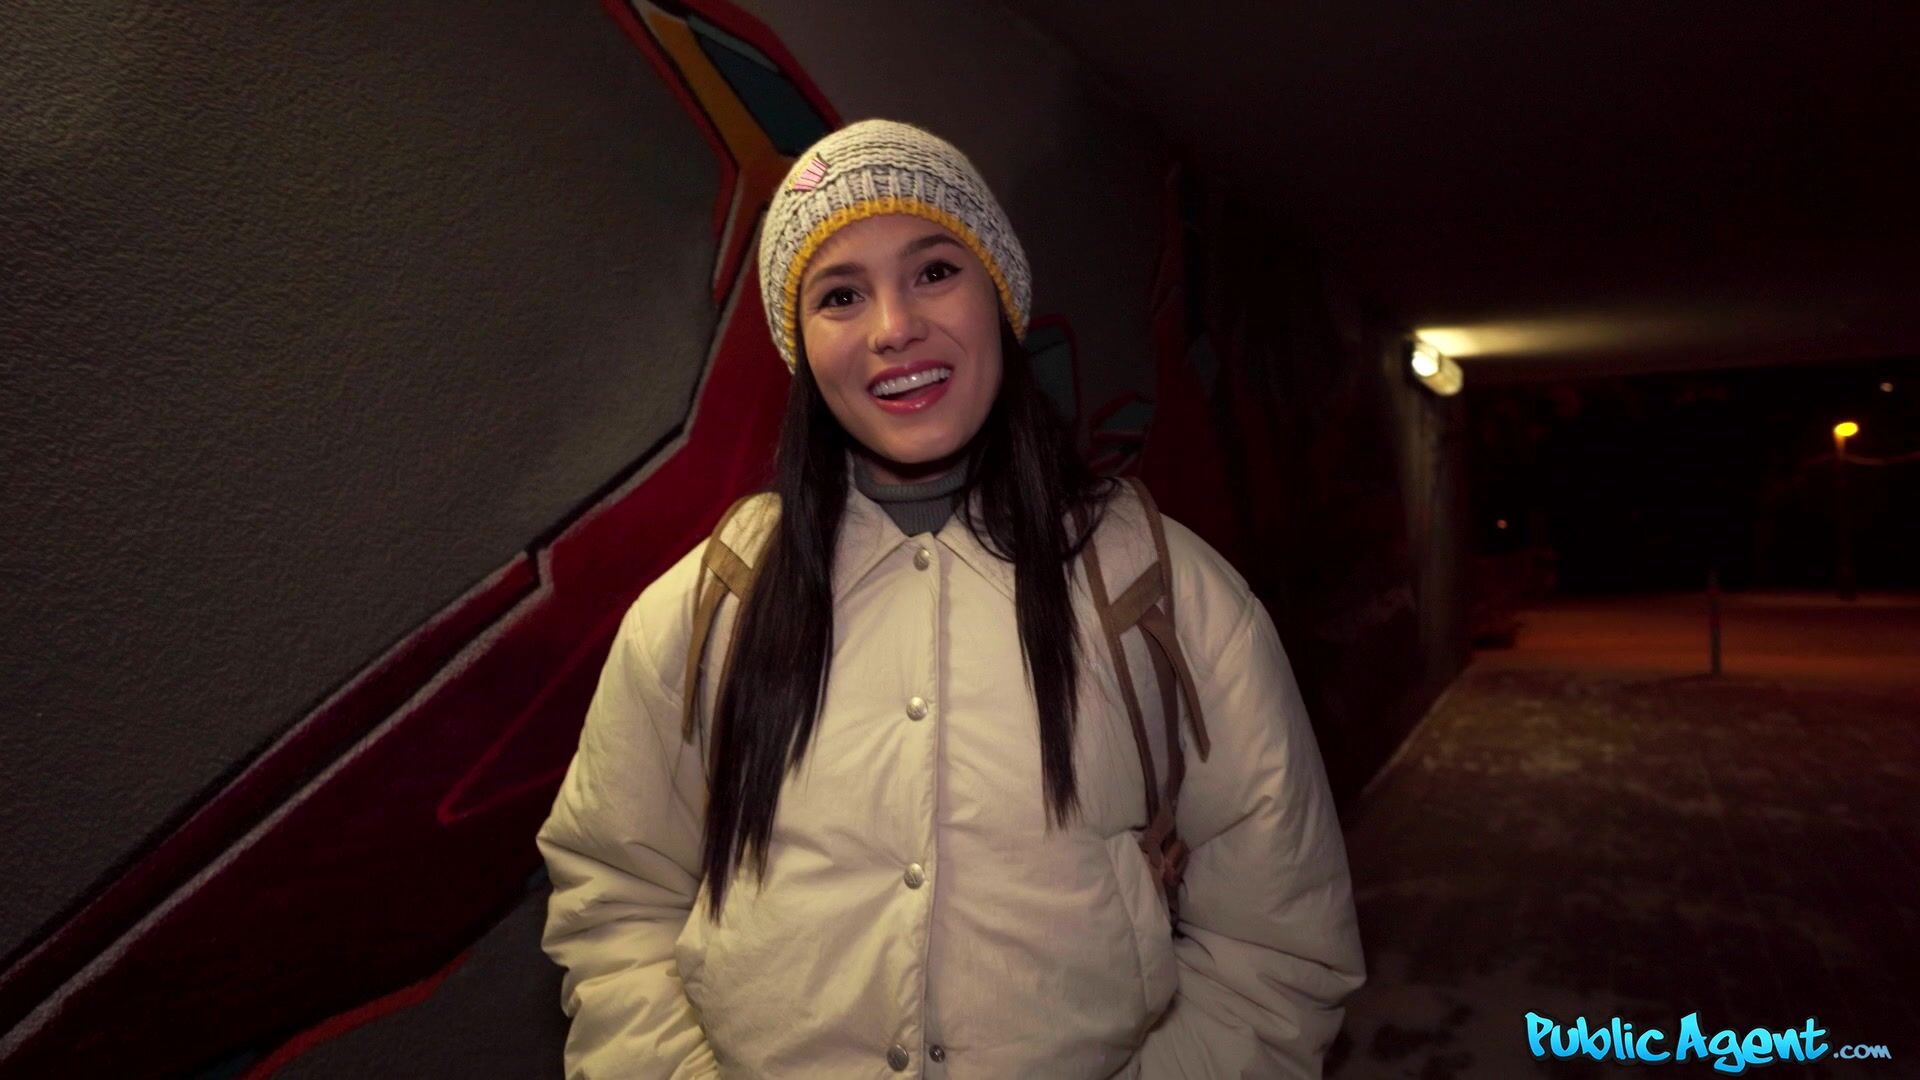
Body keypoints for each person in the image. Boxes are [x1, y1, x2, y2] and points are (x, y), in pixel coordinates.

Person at [536, 117, 1365, 1079]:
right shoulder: (704, 610)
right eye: (840, 294)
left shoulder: (1168, 594)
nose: (894, 328)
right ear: (802, 346)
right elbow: (617, 907)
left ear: (999, 295)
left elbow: (1276, 951)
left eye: (934, 271)